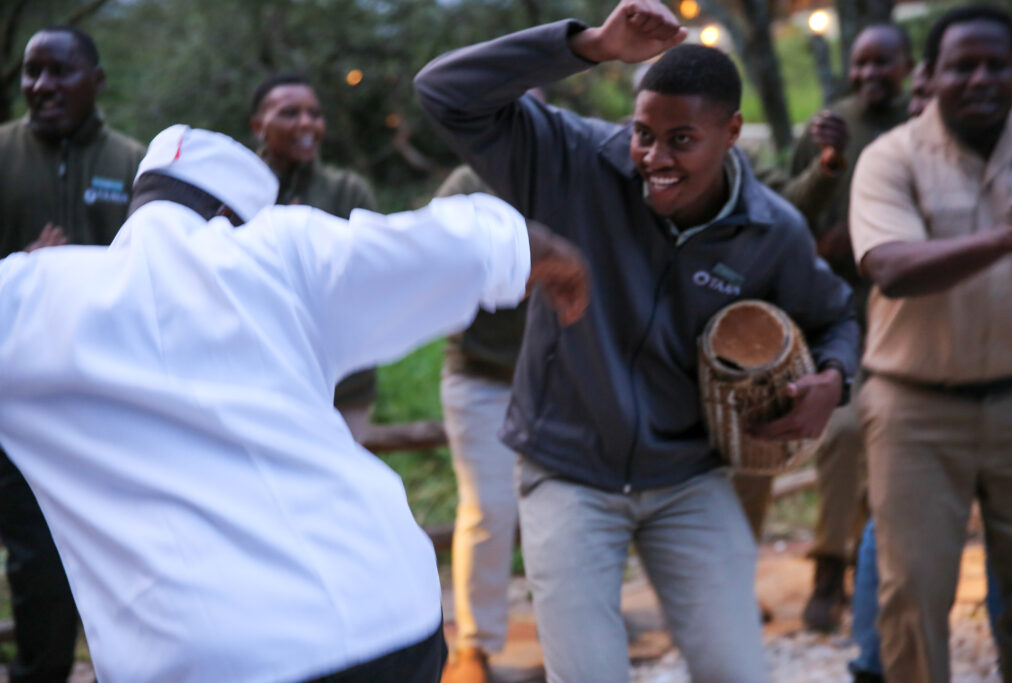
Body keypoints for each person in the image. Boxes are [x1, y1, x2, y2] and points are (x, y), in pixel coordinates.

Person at [0, 123, 588, 683]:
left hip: (201, 654)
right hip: (384, 610)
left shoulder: (27, 297)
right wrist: (543, 252)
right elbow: (454, 242)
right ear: (230, 216)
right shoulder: (277, 250)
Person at [415, 2, 859, 680]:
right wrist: (587, 45)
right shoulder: (574, 160)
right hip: (566, 470)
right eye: (644, 134)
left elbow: (836, 317)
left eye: (681, 139)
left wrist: (833, 378)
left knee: (739, 671)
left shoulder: (770, 229)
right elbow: (443, 91)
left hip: (689, 478)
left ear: (731, 132)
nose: (654, 157)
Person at [849, 6, 1012, 681]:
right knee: (913, 594)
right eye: (962, 66)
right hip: (914, 409)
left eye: (996, 65)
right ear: (930, 74)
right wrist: (1006, 239)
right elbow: (892, 268)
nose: (980, 79)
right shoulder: (889, 157)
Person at [0, 25, 144, 682]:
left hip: (112, 407)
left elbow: (156, 278)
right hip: (21, 410)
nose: (42, 85)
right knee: (37, 567)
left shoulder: (133, 165)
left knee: (128, 560)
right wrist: (20, 271)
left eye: (60, 71)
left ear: (97, 80)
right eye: (32, 72)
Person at [786, 22, 915, 633]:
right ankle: (828, 567)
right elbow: (787, 222)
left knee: (894, 447)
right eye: (860, 63)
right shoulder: (828, 129)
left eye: (882, 62)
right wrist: (823, 244)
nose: (869, 74)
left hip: (911, 321)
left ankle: (876, 566)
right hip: (845, 324)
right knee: (840, 435)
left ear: (907, 67)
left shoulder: (925, 126)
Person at [434, 165, 527, 683]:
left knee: (570, 502)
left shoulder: (564, 165)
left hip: (560, 375)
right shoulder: (468, 184)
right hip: (481, 375)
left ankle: (575, 625)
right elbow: (432, 259)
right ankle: (475, 645)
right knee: (489, 507)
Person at [249, 72, 379, 442]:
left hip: (345, 386)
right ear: (259, 126)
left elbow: (372, 273)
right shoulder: (236, 191)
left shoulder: (347, 191)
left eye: (315, 114)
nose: (306, 123)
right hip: (261, 380)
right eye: (290, 113)